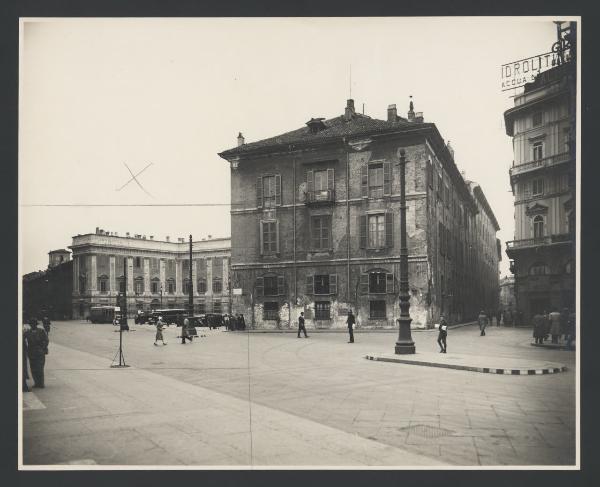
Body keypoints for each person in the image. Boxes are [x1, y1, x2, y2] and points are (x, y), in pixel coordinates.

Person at [25, 318, 49, 389]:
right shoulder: (27, 332)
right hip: (31, 352)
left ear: (36, 324)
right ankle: (36, 383)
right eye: (31, 324)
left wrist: (43, 347)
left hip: (40, 352)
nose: (32, 325)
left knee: (40, 368)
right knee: (33, 368)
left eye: (34, 324)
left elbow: (46, 340)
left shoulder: (41, 331)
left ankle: (41, 383)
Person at [22, 322, 31, 392]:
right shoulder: (24, 330)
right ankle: (23, 385)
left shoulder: (24, 330)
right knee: (23, 367)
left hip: (22, 351)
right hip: (22, 351)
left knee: (23, 367)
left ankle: (24, 385)